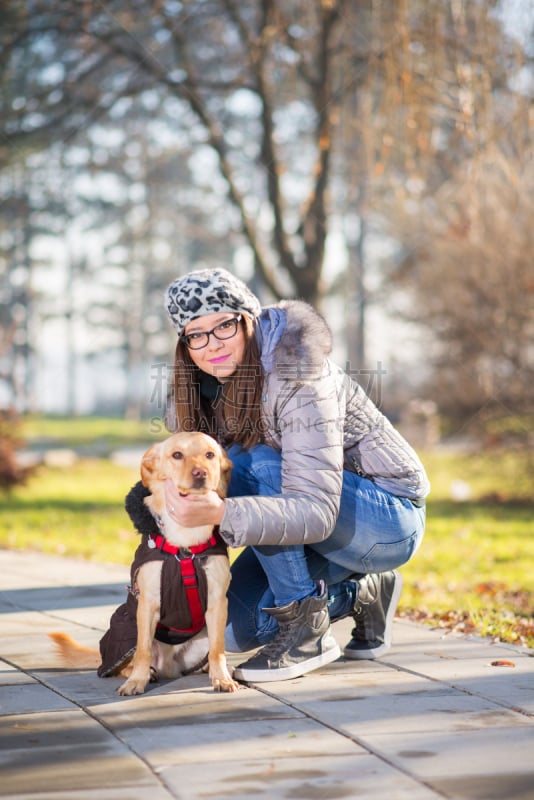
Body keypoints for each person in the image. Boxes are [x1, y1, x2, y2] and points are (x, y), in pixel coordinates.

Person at [128, 267, 430, 683]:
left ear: (248, 319)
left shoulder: (299, 373)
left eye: (224, 326)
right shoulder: (202, 390)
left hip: (384, 518)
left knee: (251, 463)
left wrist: (220, 513)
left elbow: (317, 511)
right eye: (196, 334)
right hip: (305, 522)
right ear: (185, 344)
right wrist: (159, 501)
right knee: (234, 629)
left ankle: (306, 630)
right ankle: (362, 594)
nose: (211, 345)